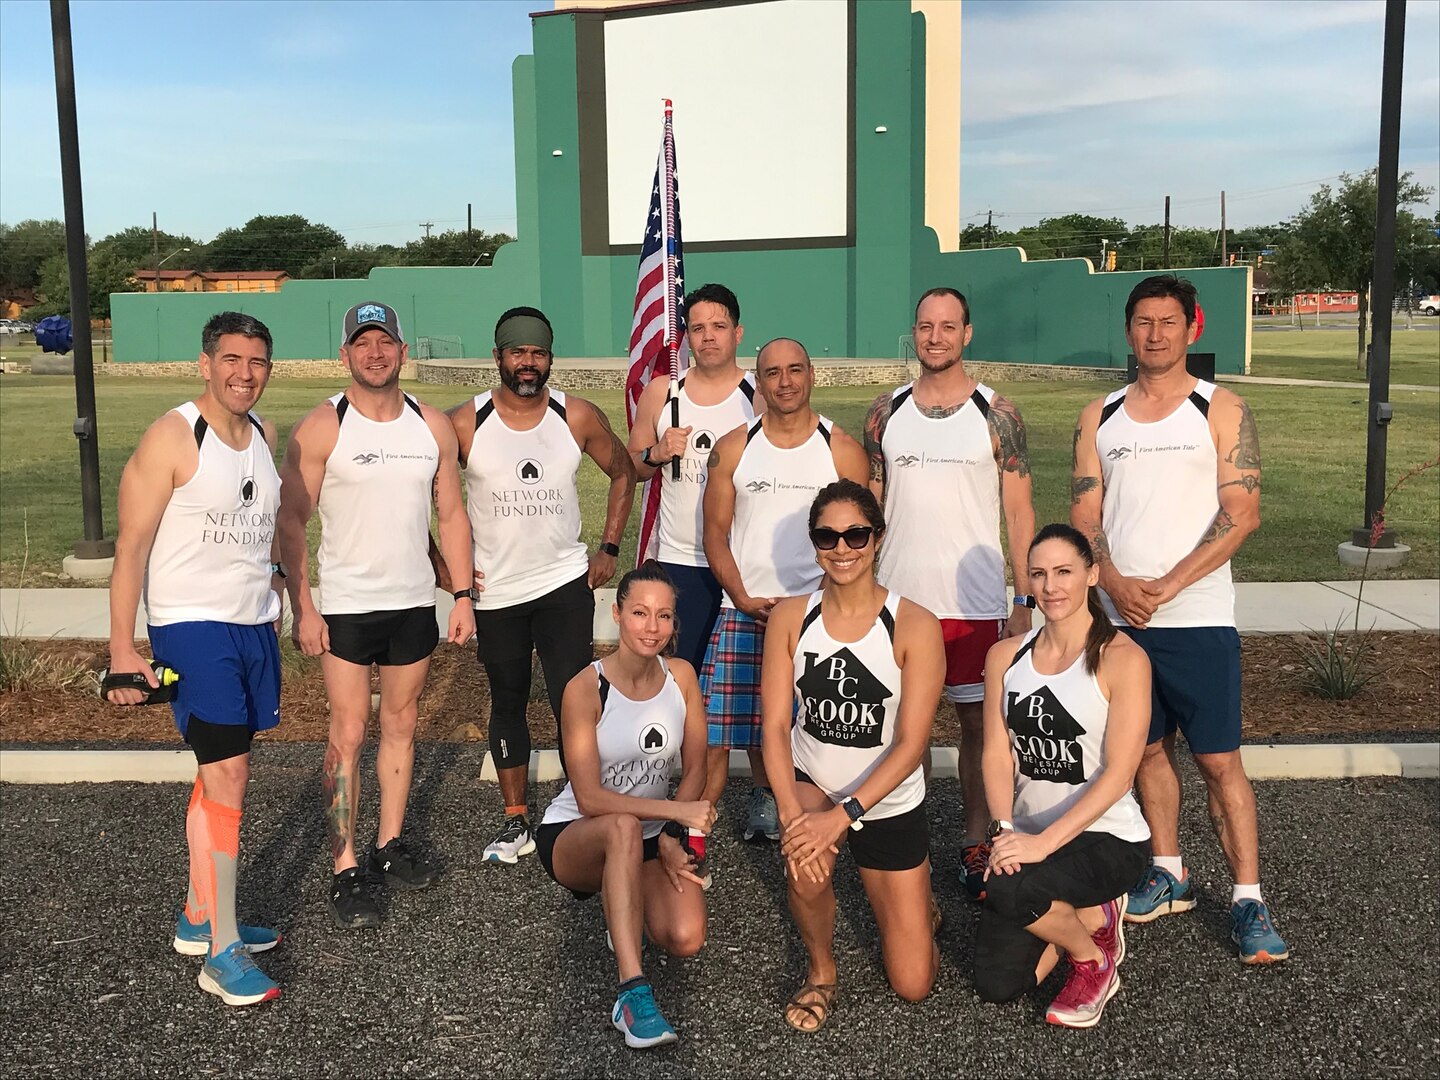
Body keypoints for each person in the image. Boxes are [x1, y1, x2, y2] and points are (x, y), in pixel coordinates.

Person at [1071, 274, 1288, 963]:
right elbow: (1084, 509)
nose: (1155, 334)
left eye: (1168, 322)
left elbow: (1241, 513)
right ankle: (1169, 871)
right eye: (1143, 322)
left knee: (1219, 762)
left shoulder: (1220, 408)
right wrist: (1113, 580)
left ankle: (1249, 900)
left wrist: (1163, 584)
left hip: (1195, 617)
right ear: (1128, 330)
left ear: (1192, 328)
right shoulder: (1099, 415)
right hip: (1119, 618)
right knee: (1145, 751)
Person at [106, 311, 285, 1006]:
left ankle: (199, 913)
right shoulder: (174, 435)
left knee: (221, 770)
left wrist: (273, 580)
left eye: (259, 361)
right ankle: (224, 952)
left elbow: (261, 527)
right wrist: (124, 649)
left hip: (250, 626)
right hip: (191, 625)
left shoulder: (265, 435)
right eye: (232, 359)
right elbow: (130, 549)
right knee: (230, 776)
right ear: (205, 363)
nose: (246, 372)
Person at [278, 300, 475, 930]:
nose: (374, 353)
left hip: (413, 601)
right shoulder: (322, 427)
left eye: (384, 342)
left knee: (400, 724)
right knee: (348, 734)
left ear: (401, 350)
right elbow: (292, 521)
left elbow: (451, 514)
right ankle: (345, 865)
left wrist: (463, 593)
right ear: (346, 354)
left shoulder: (431, 425)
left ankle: (389, 844)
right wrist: (301, 605)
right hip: (344, 609)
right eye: (362, 343)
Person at [863, 286, 1037, 901]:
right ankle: (888, 842)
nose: (934, 336)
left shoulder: (999, 414)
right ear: (914, 333)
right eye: (924, 326)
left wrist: (1025, 599)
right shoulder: (885, 412)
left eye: (947, 326)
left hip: (975, 604)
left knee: (977, 729)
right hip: (899, 605)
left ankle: (974, 839)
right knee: (886, 729)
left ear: (967, 333)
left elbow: (1019, 513)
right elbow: (870, 507)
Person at [450, 306, 636, 865]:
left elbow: (624, 470)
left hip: (562, 585)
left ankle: (587, 803)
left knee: (573, 700)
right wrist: (445, 568)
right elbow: (423, 495)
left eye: (538, 353)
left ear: (550, 358)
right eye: (517, 352)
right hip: (497, 592)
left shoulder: (573, 415)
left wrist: (607, 548)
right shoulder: (464, 422)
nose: (528, 363)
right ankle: (514, 822)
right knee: (506, 699)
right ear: (498, 356)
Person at [760, 479, 944, 1032]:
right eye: (827, 536)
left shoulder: (914, 624)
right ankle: (821, 972)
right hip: (814, 778)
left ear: (878, 538)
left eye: (856, 534)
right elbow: (773, 727)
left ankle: (922, 892)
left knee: (914, 984)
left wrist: (841, 819)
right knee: (805, 862)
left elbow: (912, 745)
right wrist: (796, 820)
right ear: (814, 542)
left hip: (884, 800)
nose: (842, 548)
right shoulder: (792, 617)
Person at [975, 523, 1152, 1029]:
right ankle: (1093, 916)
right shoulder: (1005, 657)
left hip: (1108, 839)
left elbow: (1120, 775)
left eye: (1064, 572)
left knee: (1011, 891)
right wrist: (1005, 834)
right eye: (1038, 574)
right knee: (997, 984)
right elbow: (995, 752)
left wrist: (1040, 845)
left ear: (1092, 574)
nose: (1050, 586)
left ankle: (1093, 959)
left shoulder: (1123, 660)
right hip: (1032, 836)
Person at [535, 561, 714, 1050]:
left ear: (675, 623)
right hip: (580, 833)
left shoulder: (681, 677)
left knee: (685, 937)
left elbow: (696, 766)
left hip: (651, 834)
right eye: (639, 613)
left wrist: (677, 839)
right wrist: (678, 814)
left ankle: (625, 907)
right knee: (621, 828)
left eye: (663, 616)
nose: (651, 627)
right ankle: (631, 996)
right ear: (615, 614)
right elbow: (590, 797)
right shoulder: (585, 688)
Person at [701, 338, 868, 852]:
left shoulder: (840, 449)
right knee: (721, 730)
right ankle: (696, 832)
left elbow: (859, 540)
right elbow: (714, 533)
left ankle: (830, 817)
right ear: (760, 380)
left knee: (819, 726)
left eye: (795, 370)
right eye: (772, 373)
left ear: (812, 374)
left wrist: (816, 604)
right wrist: (742, 595)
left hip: (820, 614)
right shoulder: (734, 447)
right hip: (745, 609)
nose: (785, 381)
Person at [626, 283, 761, 674]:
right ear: (687, 335)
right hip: (679, 558)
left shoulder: (758, 395)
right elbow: (632, 467)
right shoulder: (662, 393)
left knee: (739, 681)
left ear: (737, 333)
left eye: (718, 326)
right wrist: (657, 452)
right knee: (677, 676)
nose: (708, 336)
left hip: (742, 560)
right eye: (698, 328)